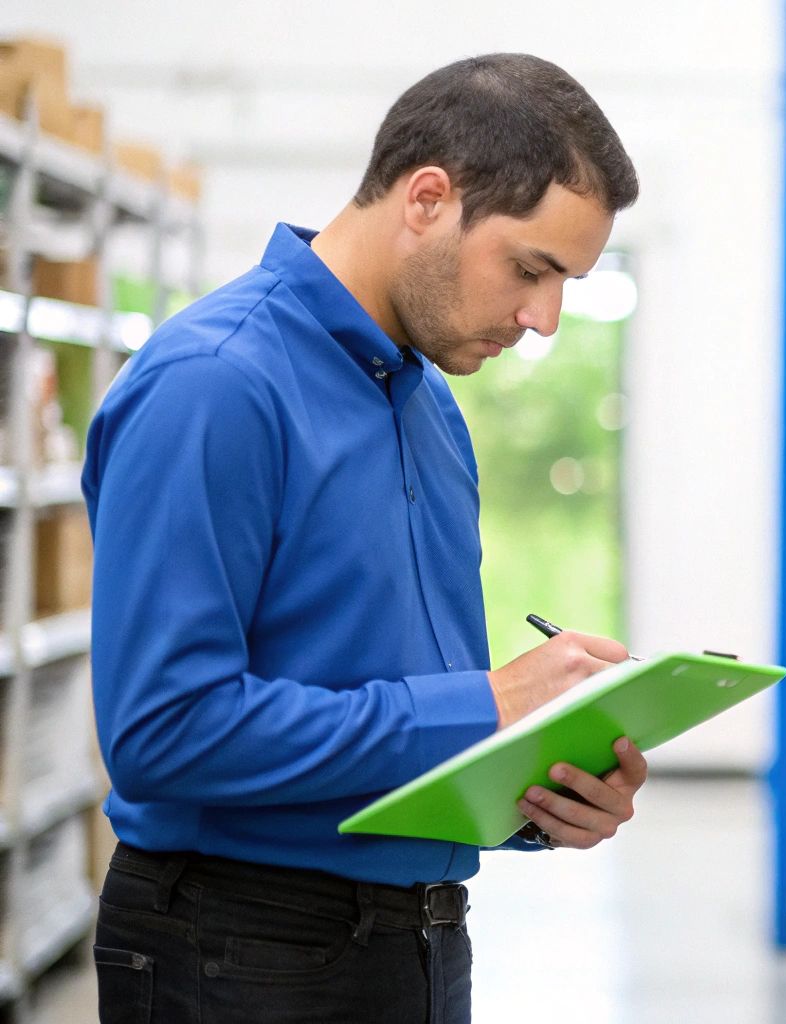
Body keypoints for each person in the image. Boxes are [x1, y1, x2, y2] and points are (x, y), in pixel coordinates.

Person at [82, 53, 641, 1023]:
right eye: (529, 268)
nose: (542, 319)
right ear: (427, 198)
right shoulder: (216, 385)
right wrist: (485, 705)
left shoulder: (428, 406)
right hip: (240, 950)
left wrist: (534, 796)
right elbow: (161, 734)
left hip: (419, 940)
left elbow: (382, 718)